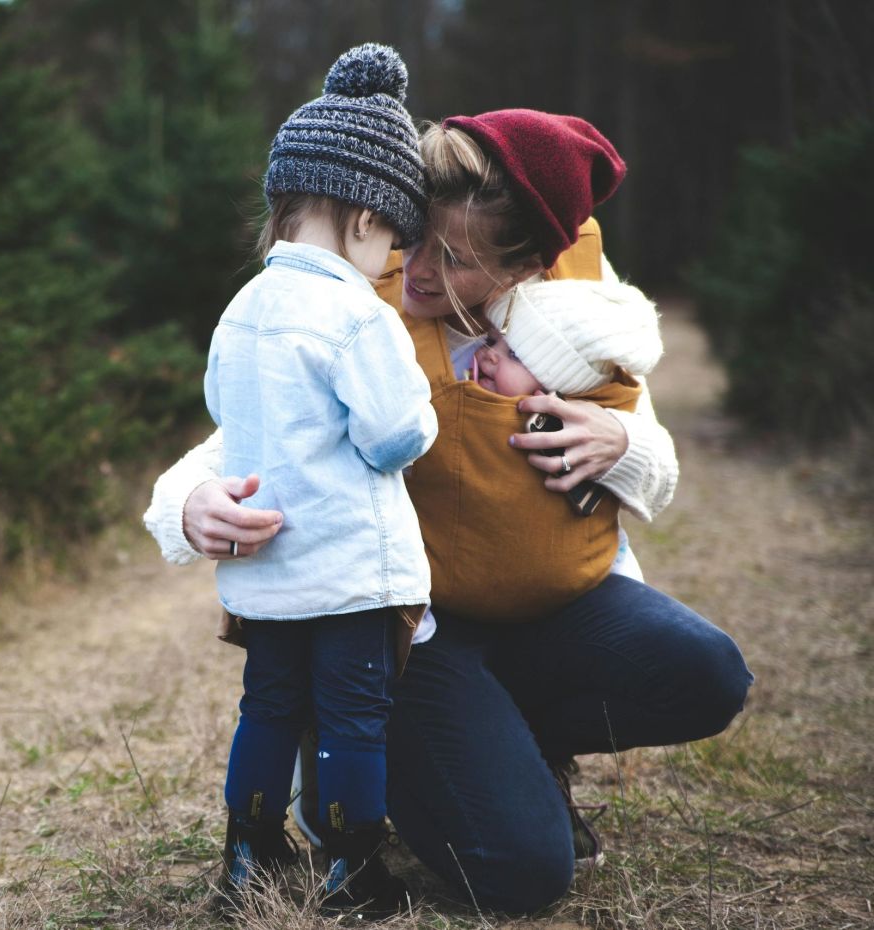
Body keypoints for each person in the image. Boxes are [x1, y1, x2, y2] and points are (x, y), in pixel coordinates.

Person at [145, 108, 753, 915]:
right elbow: (251, 430)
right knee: (523, 875)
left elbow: (656, 461)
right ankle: (414, 751)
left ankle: (516, 744)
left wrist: (623, 442)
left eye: (455, 259)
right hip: (414, 632)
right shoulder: (362, 303)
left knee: (709, 673)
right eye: (415, 239)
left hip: (553, 610)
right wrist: (186, 504)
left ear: (527, 266)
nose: (418, 269)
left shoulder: (576, 317)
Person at [205, 44, 435, 916]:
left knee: (266, 706)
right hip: (347, 572)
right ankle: (351, 866)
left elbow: (224, 410)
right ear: (367, 217)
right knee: (349, 719)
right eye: (395, 242)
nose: (391, 263)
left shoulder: (242, 308)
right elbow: (392, 436)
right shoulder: (354, 313)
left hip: (266, 573)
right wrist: (421, 407)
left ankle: (248, 851)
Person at [436, 276, 664, 623]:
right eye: (492, 340)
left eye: (513, 354)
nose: (488, 356)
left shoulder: (580, 422)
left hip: (585, 585)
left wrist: (624, 443)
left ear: (557, 388)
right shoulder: (457, 382)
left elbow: (656, 485)